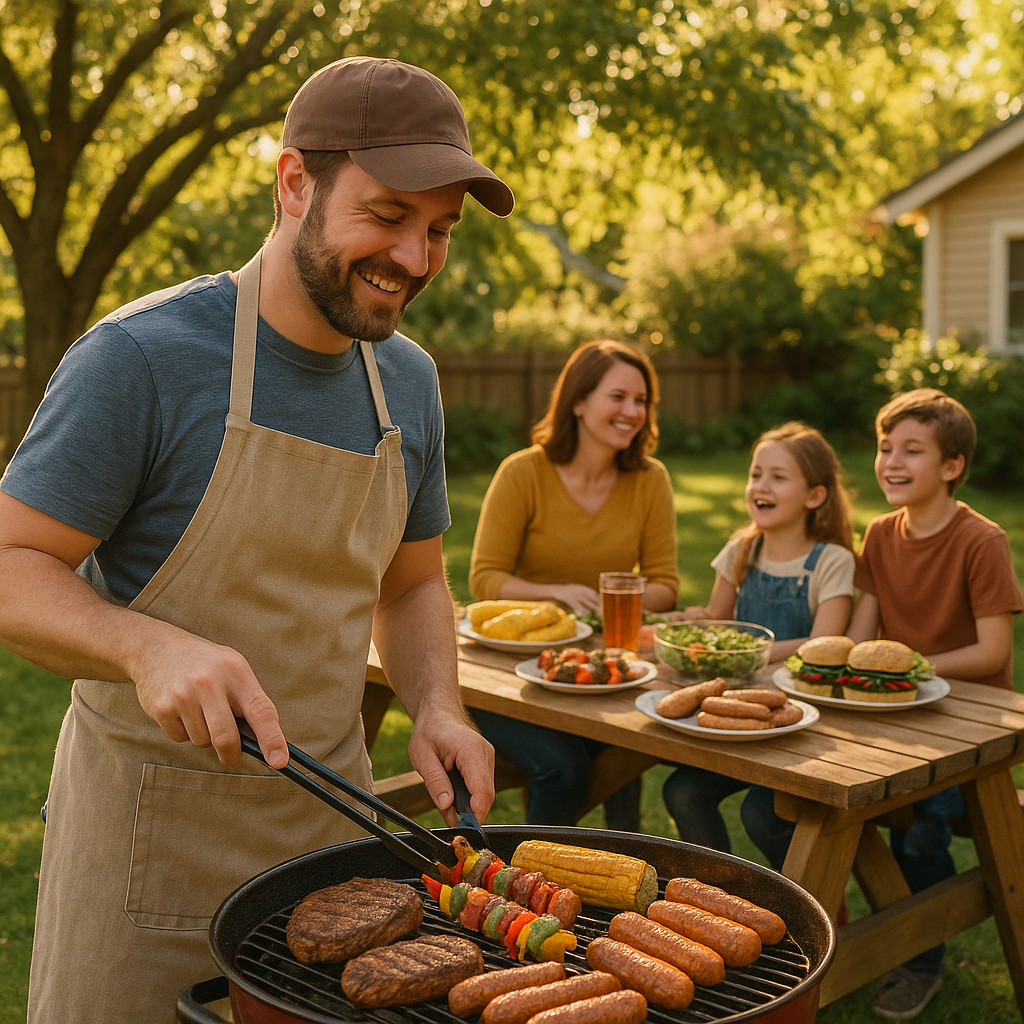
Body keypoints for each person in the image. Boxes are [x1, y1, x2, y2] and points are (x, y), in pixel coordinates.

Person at [0, 56, 511, 1023]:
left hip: (333, 844)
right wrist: (146, 644)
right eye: (389, 215)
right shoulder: (142, 359)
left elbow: (410, 588)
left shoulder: (409, 383)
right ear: (293, 184)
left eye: (439, 230)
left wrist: (438, 704)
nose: (416, 258)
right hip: (152, 841)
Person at [847, 388, 1022, 1022]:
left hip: (965, 728)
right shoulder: (880, 534)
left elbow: (991, 649)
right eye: (884, 447)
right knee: (833, 806)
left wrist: (912, 670)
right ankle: (850, 941)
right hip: (894, 717)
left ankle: (920, 960)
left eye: (911, 450)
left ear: (952, 466)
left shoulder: (982, 540)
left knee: (922, 832)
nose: (891, 461)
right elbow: (863, 641)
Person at [467, 339, 680, 828]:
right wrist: (556, 595)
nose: (633, 411)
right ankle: (526, 887)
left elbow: (666, 585)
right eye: (619, 397)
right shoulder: (523, 473)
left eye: (642, 401)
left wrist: (609, 602)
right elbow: (485, 578)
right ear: (578, 401)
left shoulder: (650, 480)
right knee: (565, 768)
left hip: (596, 666)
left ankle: (623, 883)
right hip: (507, 672)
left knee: (627, 750)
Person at [662, 422, 855, 869]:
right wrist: (690, 625)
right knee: (683, 792)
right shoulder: (741, 549)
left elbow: (824, 643)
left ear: (815, 496)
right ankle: (724, 896)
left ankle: (812, 891)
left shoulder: (830, 562)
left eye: (778, 477)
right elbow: (717, 622)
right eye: (756, 474)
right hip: (732, 716)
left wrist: (750, 653)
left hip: (799, 723)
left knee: (762, 815)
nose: (760, 486)